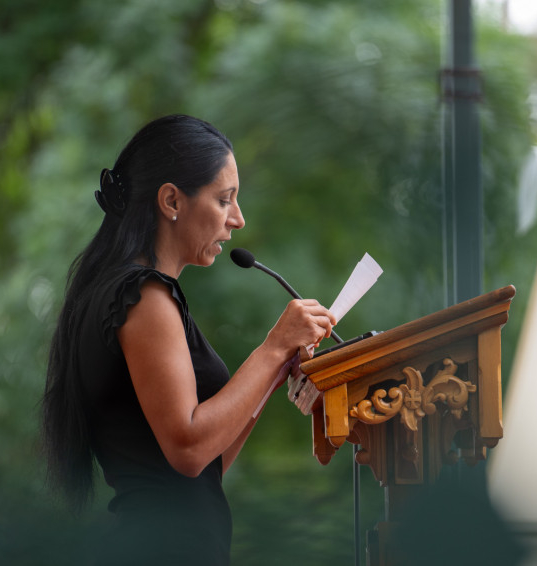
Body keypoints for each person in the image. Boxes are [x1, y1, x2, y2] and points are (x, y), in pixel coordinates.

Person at [41, 114, 335, 565]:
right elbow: (189, 448)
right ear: (172, 200)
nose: (238, 219)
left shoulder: (127, 292)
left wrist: (275, 371)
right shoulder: (144, 296)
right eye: (224, 199)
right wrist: (272, 347)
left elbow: (207, 465)